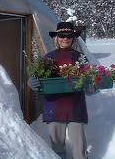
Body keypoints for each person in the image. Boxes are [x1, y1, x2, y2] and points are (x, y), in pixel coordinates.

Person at [28, 22, 95, 159]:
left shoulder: (80, 58)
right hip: (54, 107)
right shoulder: (48, 58)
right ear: (56, 38)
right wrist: (32, 82)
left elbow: (89, 81)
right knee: (57, 147)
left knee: (80, 148)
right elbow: (38, 77)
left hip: (75, 107)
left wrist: (91, 86)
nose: (65, 38)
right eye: (62, 35)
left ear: (73, 38)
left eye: (69, 36)